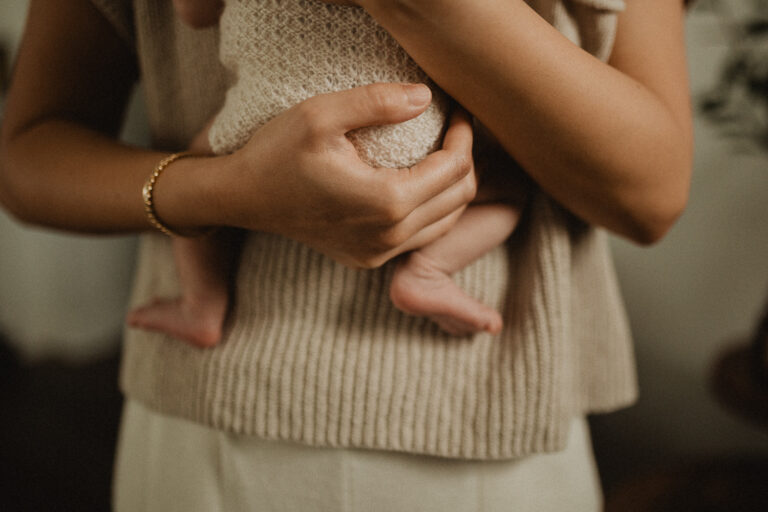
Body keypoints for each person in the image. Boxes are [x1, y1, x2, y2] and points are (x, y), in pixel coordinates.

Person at [0, 0, 692, 510]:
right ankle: (425, 271)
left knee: (479, 174)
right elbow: (28, 155)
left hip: (479, 427)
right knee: (489, 179)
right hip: (218, 423)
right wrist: (223, 192)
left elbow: (650, 194)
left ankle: (201, 294)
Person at [126, 0, 529, 347]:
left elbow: (195, 14)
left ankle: (201, 304)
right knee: (508, 186)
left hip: (265, 118)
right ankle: (427, 271)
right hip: (408, 120)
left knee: (193, 169)